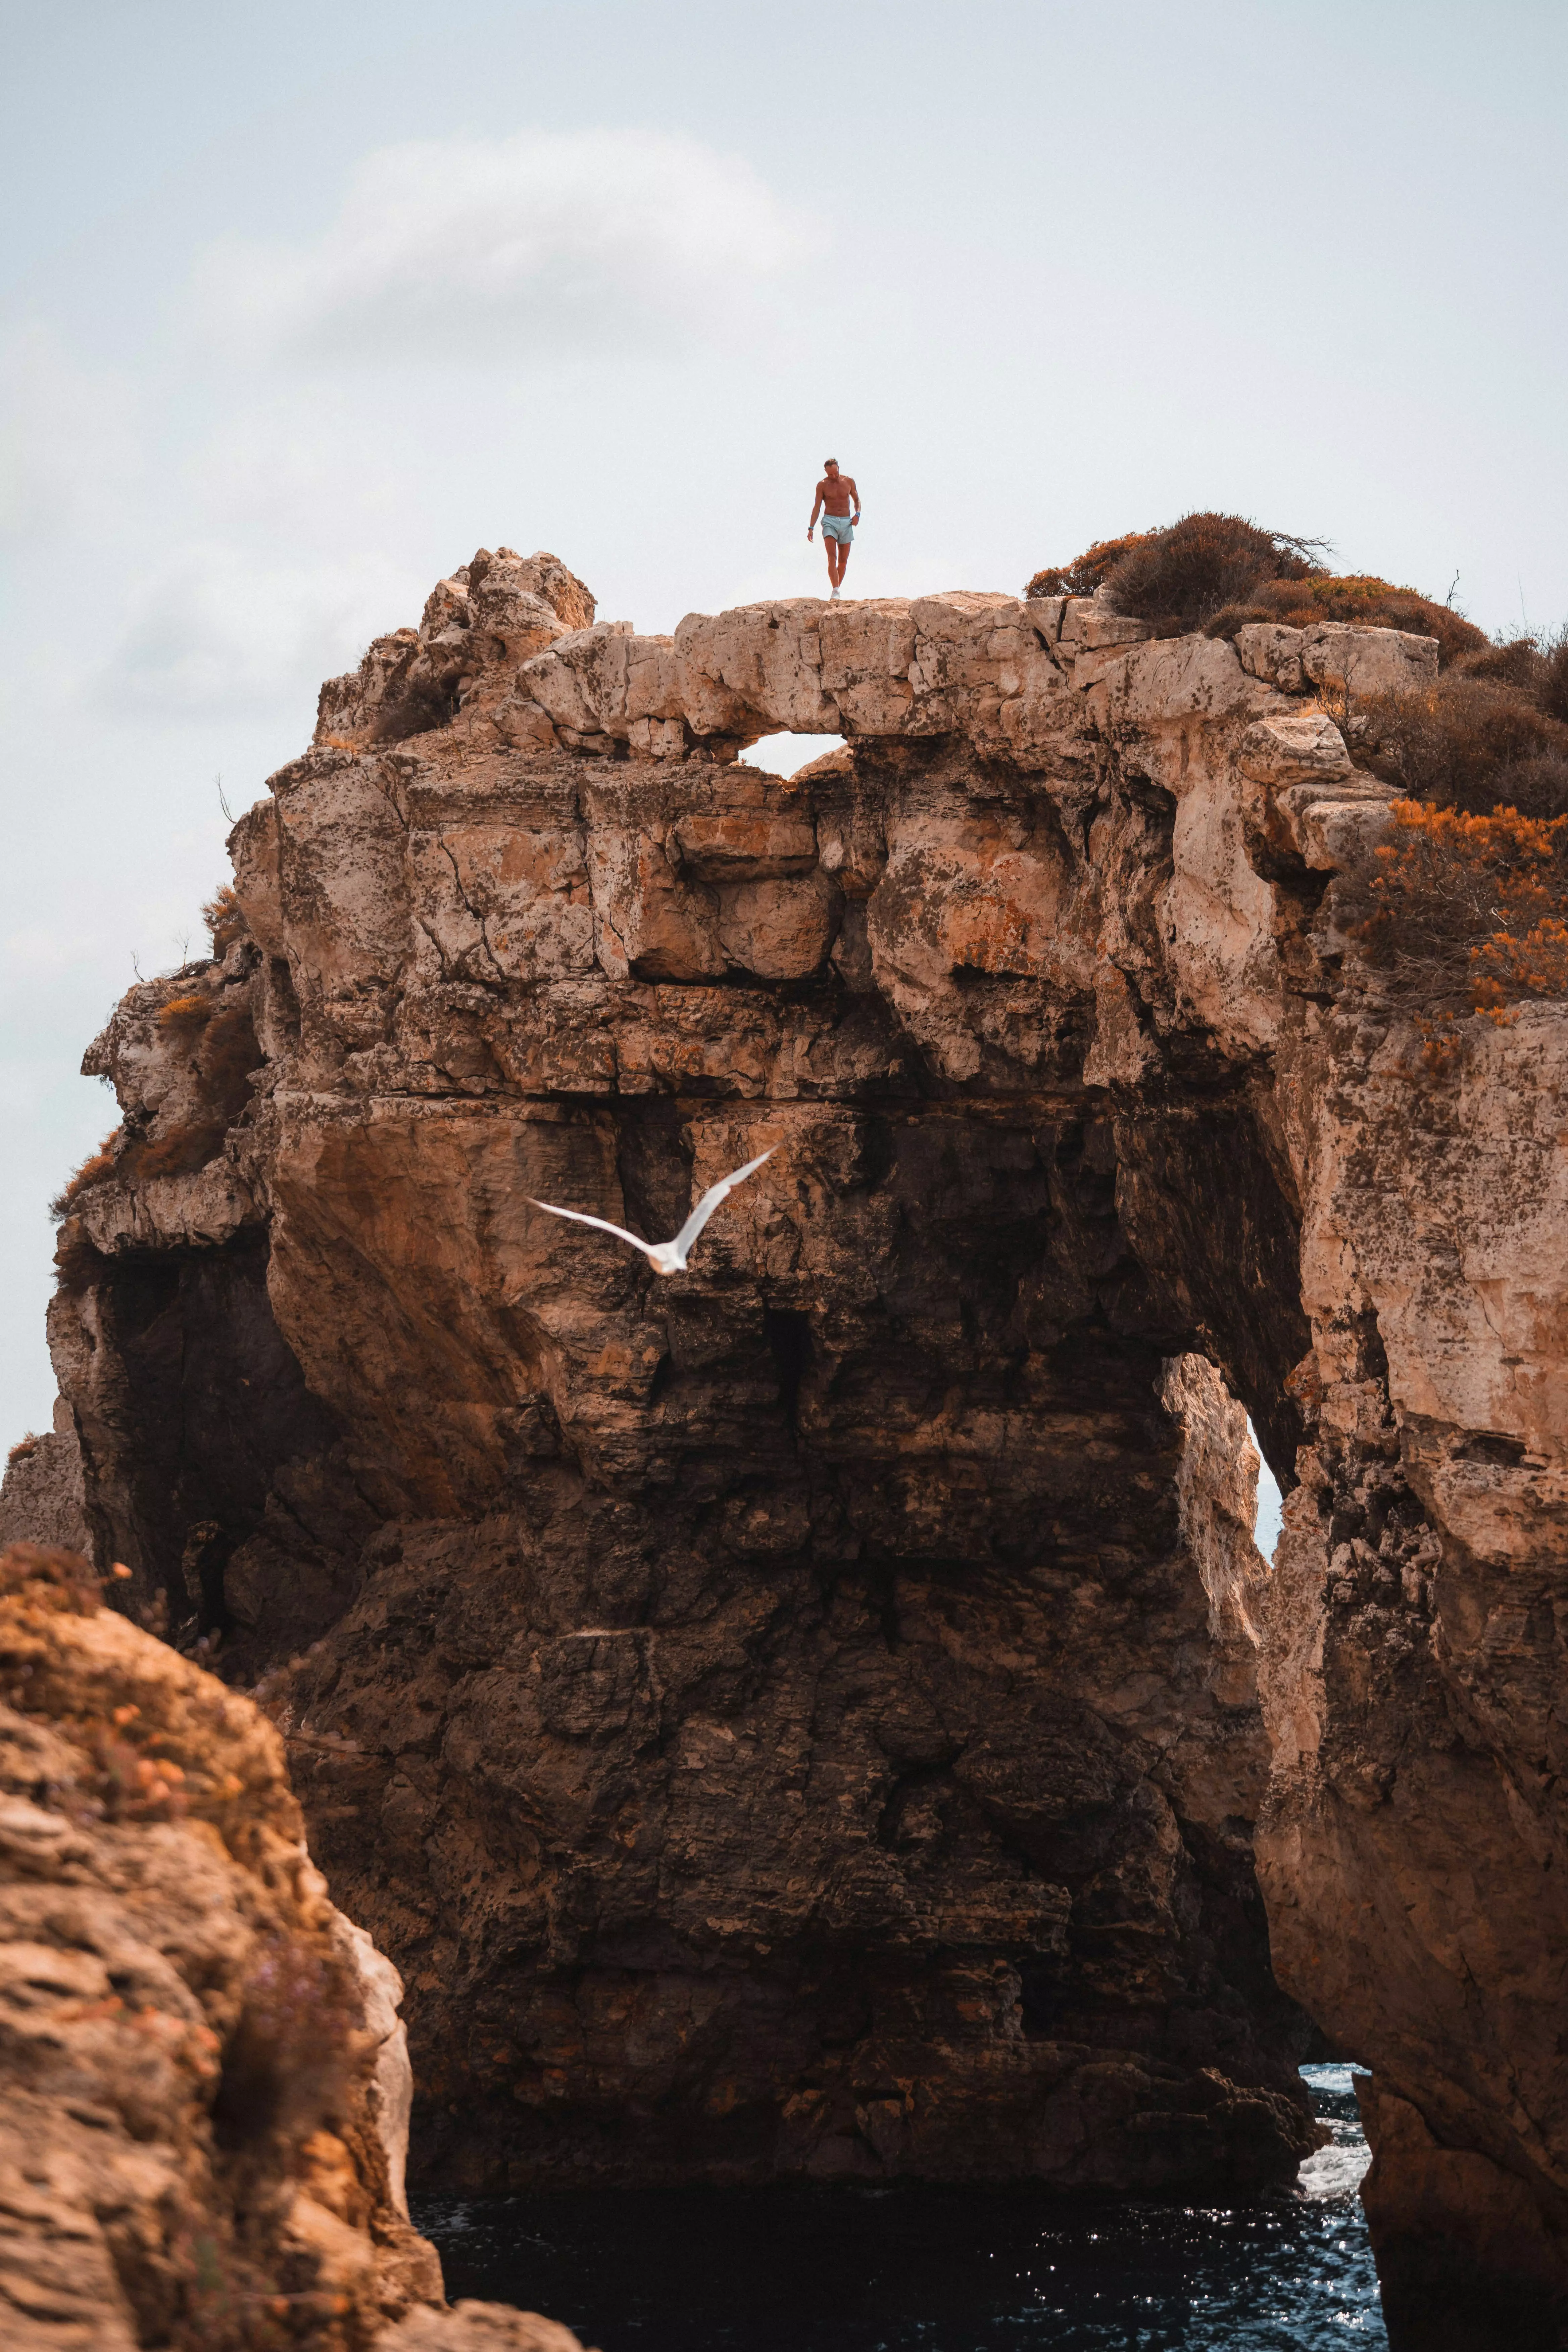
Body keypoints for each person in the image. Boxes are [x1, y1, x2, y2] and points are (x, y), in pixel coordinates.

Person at [807, 458, 861, 600]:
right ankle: (836, 590)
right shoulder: (822, 485)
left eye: (836, 473)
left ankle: (835, 589)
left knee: (843, 561)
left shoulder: (849, 481)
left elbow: (857, 499)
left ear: (839, 468)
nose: (834, 476)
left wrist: (858, 514)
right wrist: (811, 527)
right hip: (830, 521)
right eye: (831, 474)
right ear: (826, 472)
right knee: (832, 557)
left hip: (846, 522)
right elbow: (817, 506)